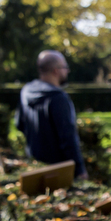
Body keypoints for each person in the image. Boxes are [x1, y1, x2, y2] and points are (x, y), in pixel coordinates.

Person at [16, 50, 87, 179]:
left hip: (34, 164)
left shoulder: (26, 91)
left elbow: (19, 124)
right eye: (65, 67)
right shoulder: (58, 98)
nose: (68, 71)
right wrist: (80, 170)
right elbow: (68, 138)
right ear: (56, 70)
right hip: (58, 171)